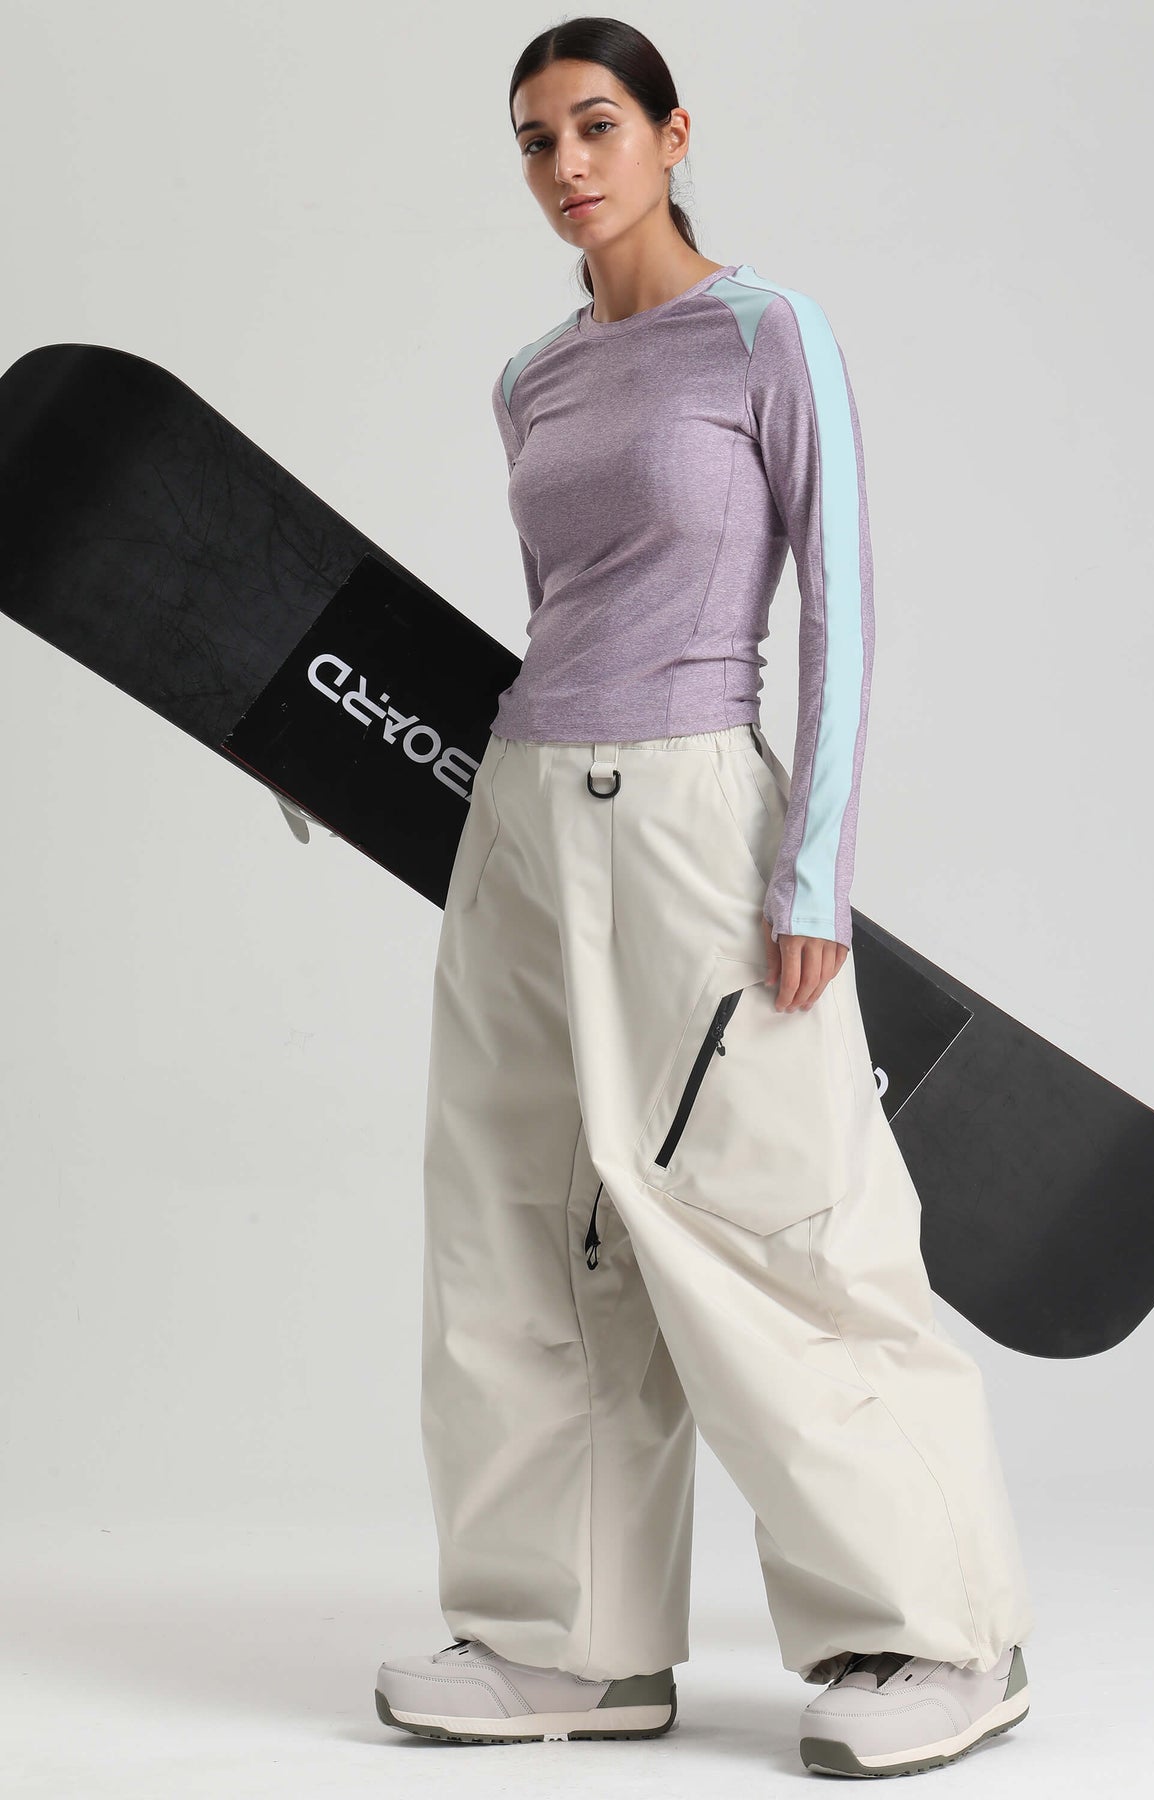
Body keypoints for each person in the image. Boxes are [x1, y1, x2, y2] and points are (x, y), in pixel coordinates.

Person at [375, 15, 1035, 1777]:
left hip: (692, 818)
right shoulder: (529, 379)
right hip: (524, 818)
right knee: (520, 1227)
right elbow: (558, 615)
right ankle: (567, 1645)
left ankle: (942, 1634)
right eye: (536, 140)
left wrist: (812, 868)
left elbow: (844, 605)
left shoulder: (765, 332)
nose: (566, 165)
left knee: (781, 1220)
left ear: (674, 135)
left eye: (597, 125)